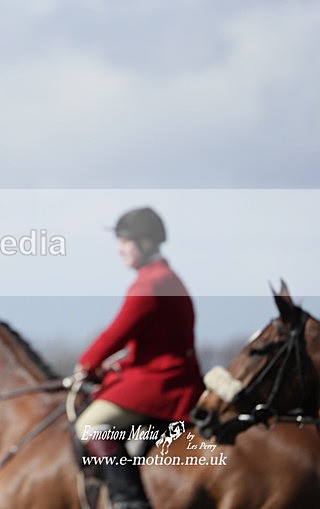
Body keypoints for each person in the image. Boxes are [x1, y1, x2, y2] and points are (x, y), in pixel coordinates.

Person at [74, 207, 204, 509]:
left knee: (90, 424)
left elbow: (115, 333)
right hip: (169, 373)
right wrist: (117, 365)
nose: (119, 248)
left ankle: (128, 500)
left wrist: (87, 364)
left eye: (125, 241)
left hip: (163, 383)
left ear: (146, 242)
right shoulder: (168, 278)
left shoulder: (150, 284)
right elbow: (151, 344)